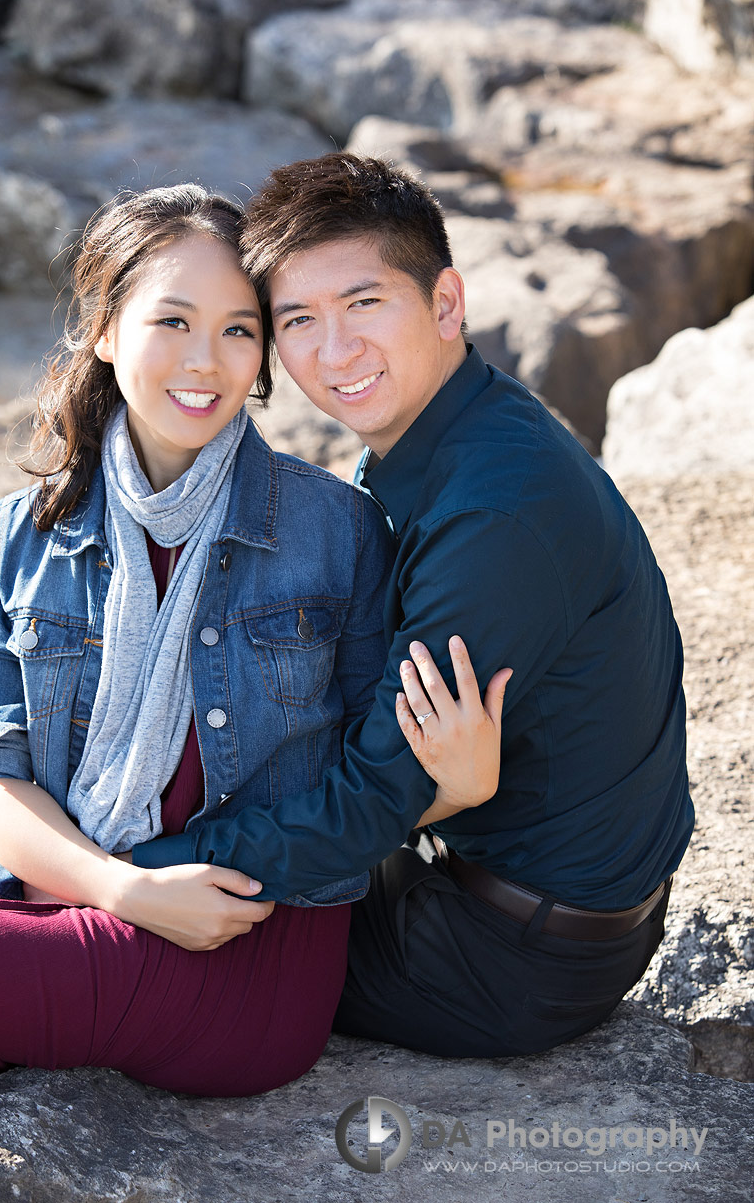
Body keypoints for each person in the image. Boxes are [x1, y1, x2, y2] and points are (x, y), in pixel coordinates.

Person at [0, 182, 503, 1120]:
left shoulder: (336, 531)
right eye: (173, 320)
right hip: (72, 904)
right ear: (105, 329)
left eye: (240, 330)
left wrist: (459, 784)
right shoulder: (20, 536)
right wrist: (123, 891)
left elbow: (378, 780)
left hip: (250, 949)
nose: (205, 362)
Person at [128, 153, 695, 1059]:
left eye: (363, 304)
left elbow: (372, 797)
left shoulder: (493, 513)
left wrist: (120, 879)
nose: (334, 351)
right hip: (485, 883)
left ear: (444, 303)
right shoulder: (451, 428)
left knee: (113, 952)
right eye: (297, 322)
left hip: (504, 958)